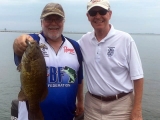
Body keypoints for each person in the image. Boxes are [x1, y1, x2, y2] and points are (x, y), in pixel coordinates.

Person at [13, 2, 84, 120]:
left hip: (66, 115)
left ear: (63, 22)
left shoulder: (75, 46)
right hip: (30, 115)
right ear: (41, 22)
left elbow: (79, 78)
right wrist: (18, 41)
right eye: (48, 19)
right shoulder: (33, 42)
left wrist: (80, 102)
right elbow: (20, 42)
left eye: (58, 19)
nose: (53, 23)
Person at [78, 0, 144, 120]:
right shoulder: (84, 41)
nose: (97, 16)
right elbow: (62, 45)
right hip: (92, 106)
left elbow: (138, 77)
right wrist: (36, 39)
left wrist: (137, 109)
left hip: (121, 106)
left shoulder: (125, 39)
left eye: (102, 11)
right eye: (93, 12)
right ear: (88, 16)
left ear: (110, 14)